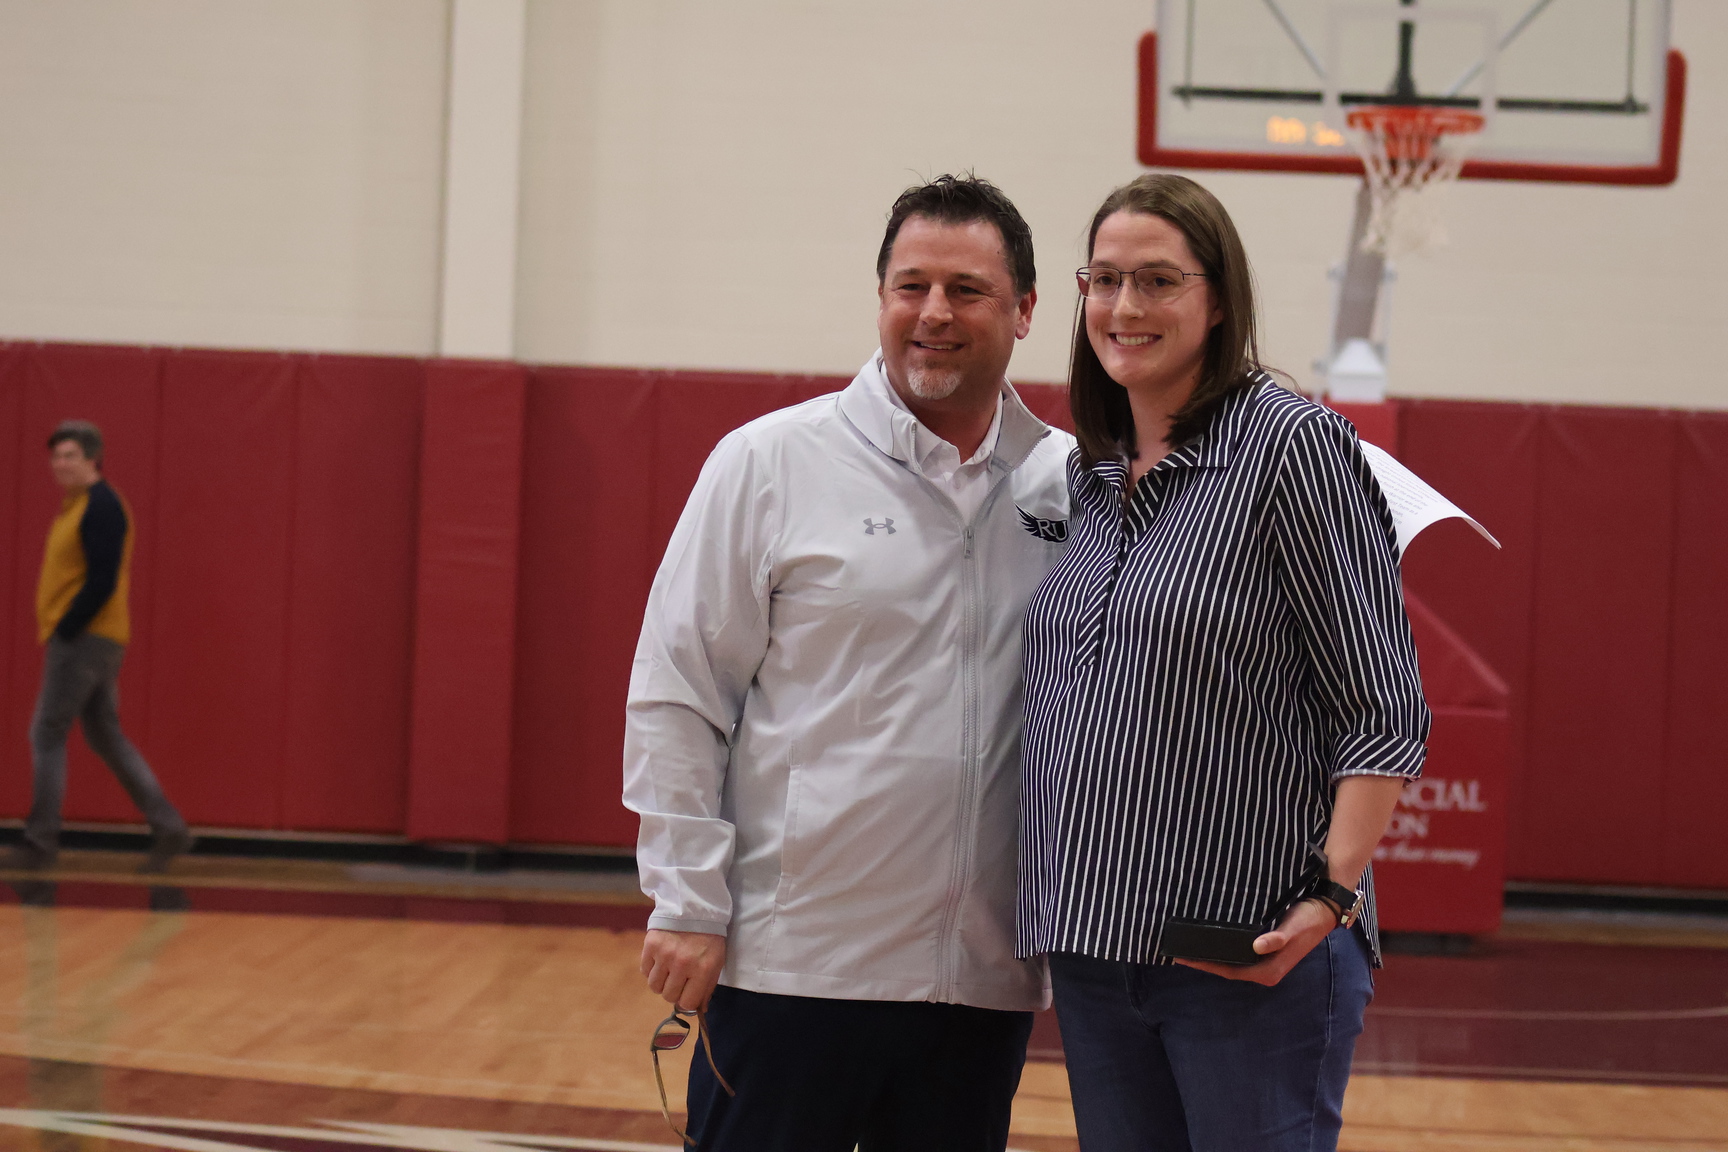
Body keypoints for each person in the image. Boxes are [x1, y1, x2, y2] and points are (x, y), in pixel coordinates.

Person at [623, 174, 1075, 1152]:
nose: (934, 314)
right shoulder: (769, 462)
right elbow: (678, 694)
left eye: (967, 290)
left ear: (1027, 310)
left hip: (979, 984)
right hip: (793, 971)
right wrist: (688, 898)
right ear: (881, 298)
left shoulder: (1071, 484)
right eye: (910, 286)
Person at [1017, 173, 1431, 1151]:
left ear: (1217, 298)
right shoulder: (1092, 472)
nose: (1125, 307)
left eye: (1158, 280)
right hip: (1094, 945)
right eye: (1105, 279)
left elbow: (1382, 705)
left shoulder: (1294, 448)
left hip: (1248, 954)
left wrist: (1332, 895)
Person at [12, 421, 191, 874]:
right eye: (55, 456)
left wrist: (68, 628)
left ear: (93, 458)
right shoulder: (77, 506)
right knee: (104, 734)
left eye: (69, 455)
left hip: (85, 638)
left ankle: (40, 841)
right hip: (95, 638)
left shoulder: (102, 506)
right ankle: (168, 826)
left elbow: (102, 578)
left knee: (47, 733)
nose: (59, 464)